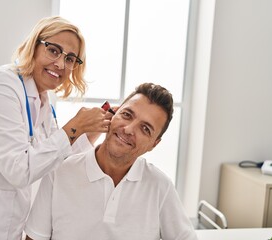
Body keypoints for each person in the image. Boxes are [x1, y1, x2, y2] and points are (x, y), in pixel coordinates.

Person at [0, 16, 113, 239]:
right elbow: (19, 170)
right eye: (54, 50)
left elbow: (52, 164)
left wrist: (90, 132)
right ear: (34, 45)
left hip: (7, 228)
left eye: (70, 59)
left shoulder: (44, 104)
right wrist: (75, 126)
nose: (60, 64)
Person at [24, 83, 198, 240]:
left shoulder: (160, 187)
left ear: (154, 144)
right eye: (127, 115)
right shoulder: (59, 172)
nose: (129, 129)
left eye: (145, 129)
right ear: (112, 115)